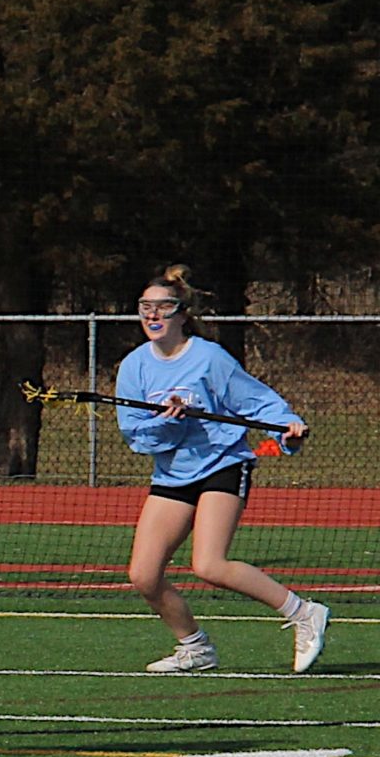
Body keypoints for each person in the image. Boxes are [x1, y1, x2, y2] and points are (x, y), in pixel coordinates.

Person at [116, 264, 325, 674]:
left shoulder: (209, 358)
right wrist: (169, 420)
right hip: (173, 475)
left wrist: (287, 428)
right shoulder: (134, 367)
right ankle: (194, 647)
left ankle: (304, 613)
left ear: (182, 314)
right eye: (145, 308)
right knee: (143, 575)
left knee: (209, 564)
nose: (153, 316)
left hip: (221, 464)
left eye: (163, 308)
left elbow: (257, 402)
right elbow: (139, 437)